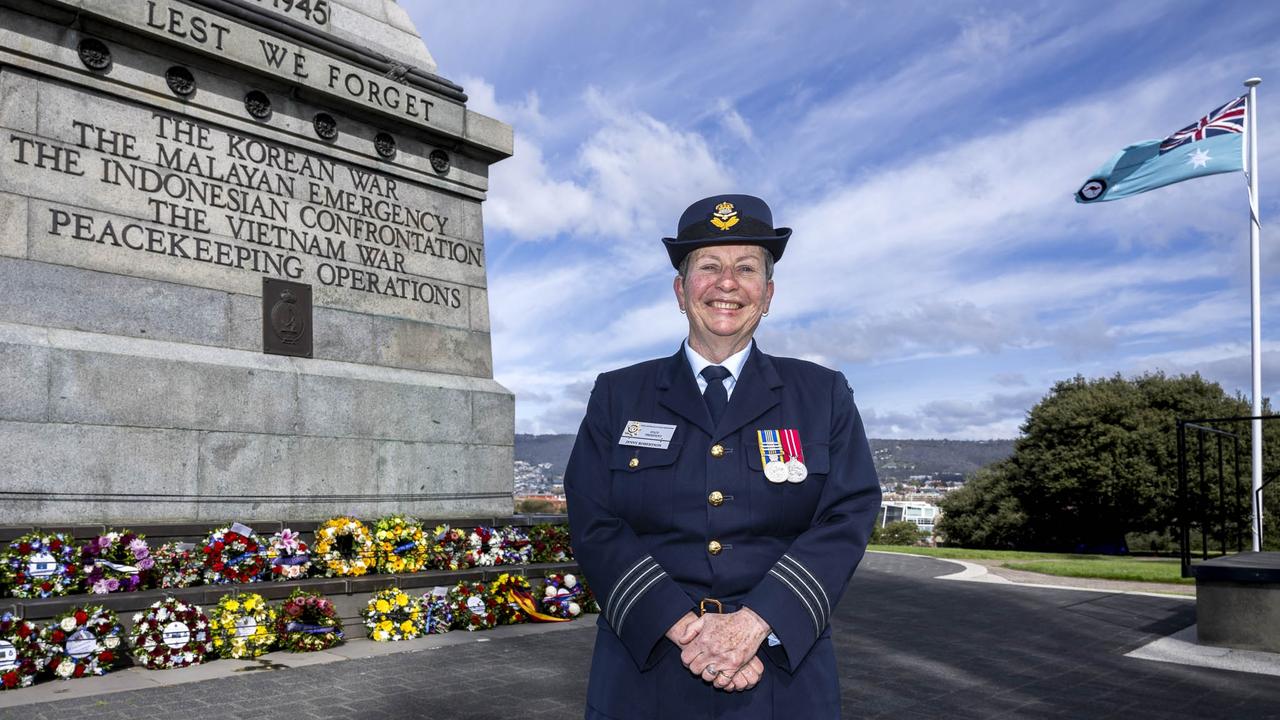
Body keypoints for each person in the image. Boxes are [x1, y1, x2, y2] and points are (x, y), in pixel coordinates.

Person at [565, 194, 882, 719]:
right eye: (708, 266)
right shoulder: (618, 395)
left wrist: (755, 622)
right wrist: (688, 629)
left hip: (782, 676)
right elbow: (594, 521)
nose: (727, 283)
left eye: (746, 268)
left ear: (769, 293)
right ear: (680, 290)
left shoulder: (822, 394)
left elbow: (847, 515)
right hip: (646, 672)